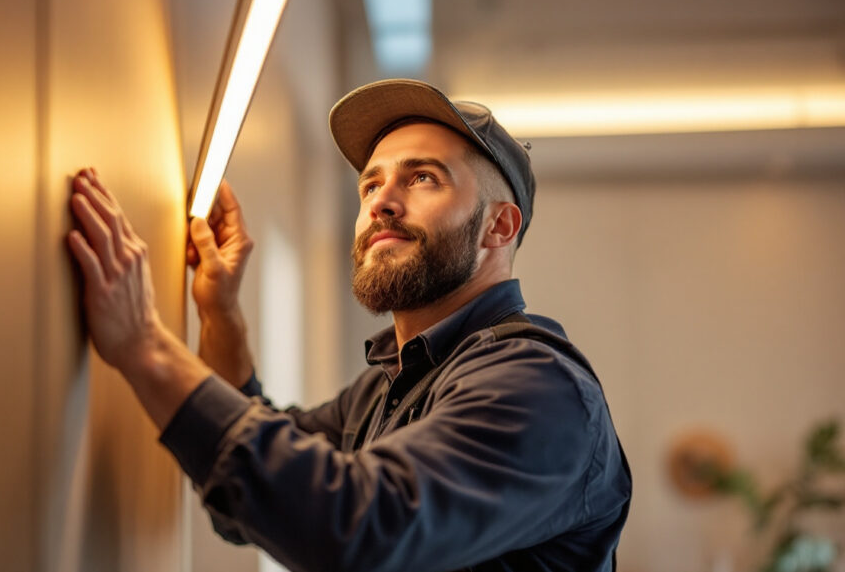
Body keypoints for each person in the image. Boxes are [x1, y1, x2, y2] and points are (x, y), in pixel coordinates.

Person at [67, 79, 631, 572]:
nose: (382, 201)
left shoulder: (537, 388)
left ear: (498, 228)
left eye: (424, 178)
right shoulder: (386, 388)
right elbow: (249, 498)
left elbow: (357, 529)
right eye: (370, 184)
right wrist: (221, 313)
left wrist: (144, 345)